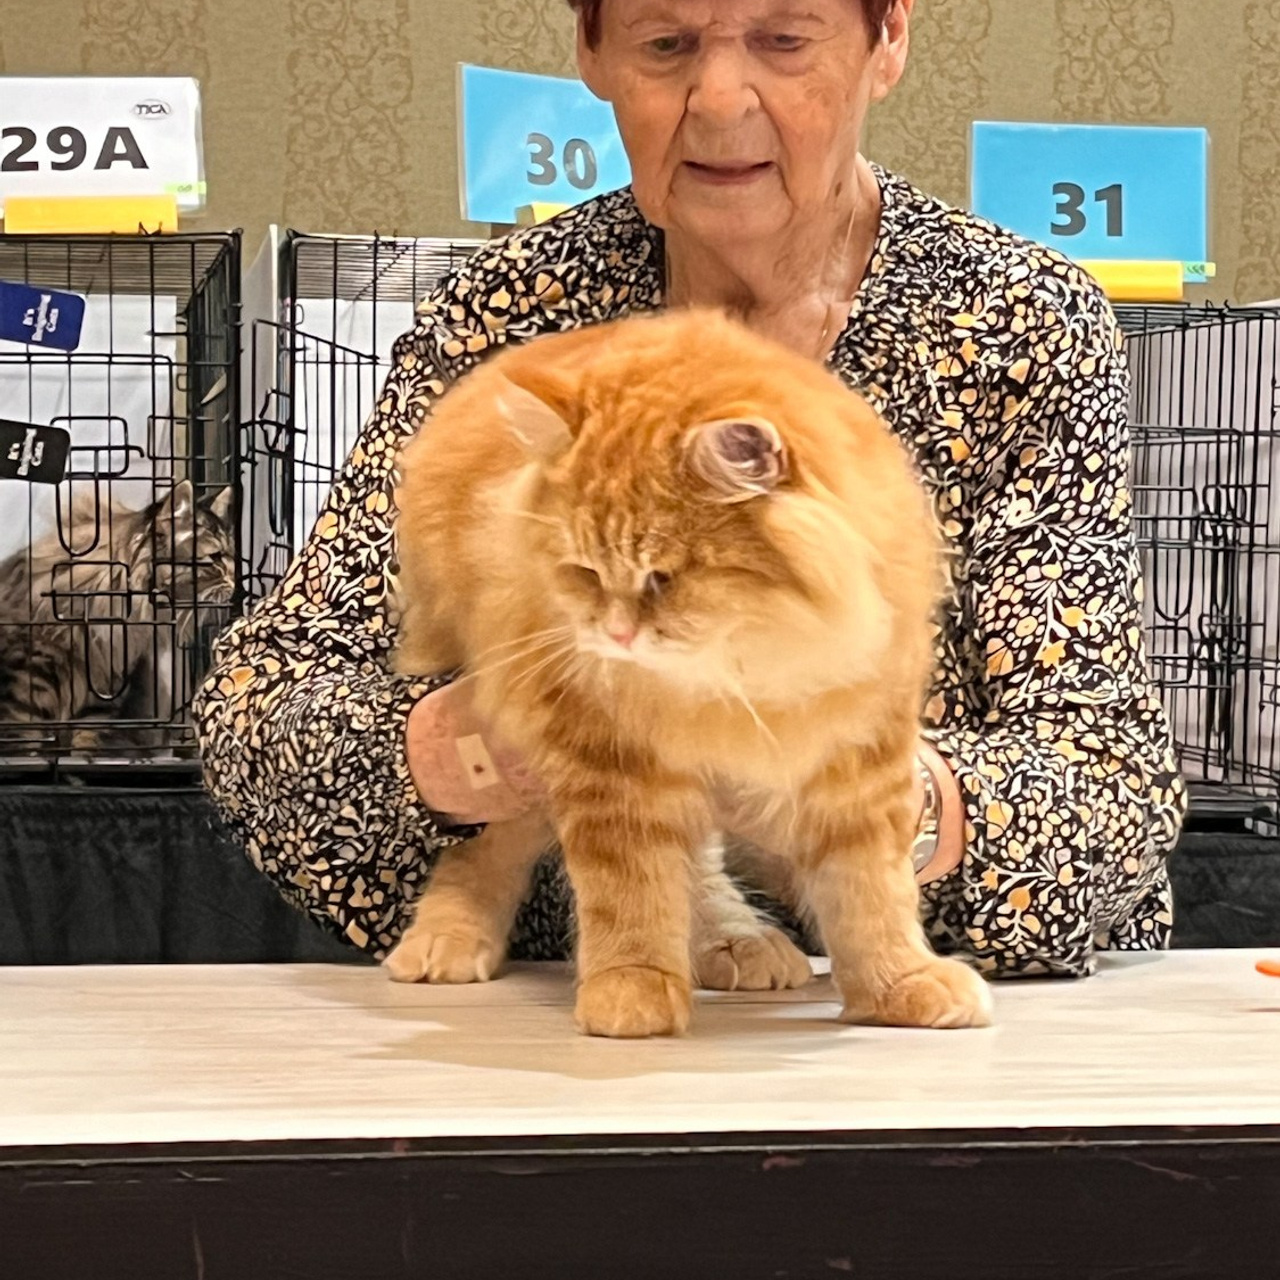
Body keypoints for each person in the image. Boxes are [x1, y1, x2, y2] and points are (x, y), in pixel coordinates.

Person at [195, 0, 1186, 978]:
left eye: (782, 41)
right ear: (592, 53)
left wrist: (860, 802)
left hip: (956, 1032)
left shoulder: (1017, 322)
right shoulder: (508, 317)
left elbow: (1109, 793)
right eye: (665, 44)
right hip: (566, 1018)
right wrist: (471, 748)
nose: (717, 100)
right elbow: (260, 715)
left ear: (887, 40)